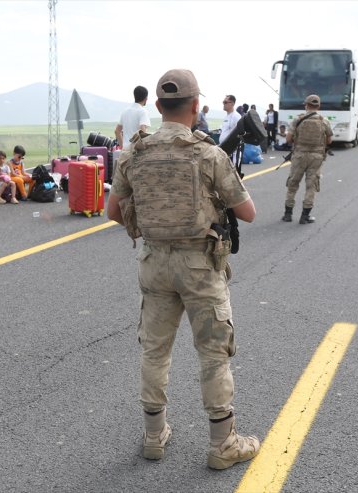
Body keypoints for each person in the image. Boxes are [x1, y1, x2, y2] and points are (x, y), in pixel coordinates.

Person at [107, 69, 259, 470]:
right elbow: (248, 212)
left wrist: (152, 226)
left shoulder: (134, 154)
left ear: (158, 107)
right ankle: (222, 443)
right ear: (196, 106)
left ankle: (154, 435)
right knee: (213, 353)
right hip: (199, 266)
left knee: (155, 351)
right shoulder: (208, 153)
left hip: (154, 263)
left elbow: (112, 211)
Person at [282, 94, 333, 224]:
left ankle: (288, 214)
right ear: (318, 106)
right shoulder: (324, 121)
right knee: (311, 186)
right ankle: (305, 216)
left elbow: (288, 139)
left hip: (299, 155)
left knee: (293, 184)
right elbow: (329, 140)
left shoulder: (298, 119)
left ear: (306, 105)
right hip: (316, 157)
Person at [115, 85, 152, 149]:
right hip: (136, 152)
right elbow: (142, 132)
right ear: (146, 98)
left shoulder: (125, 111)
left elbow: (117, 131)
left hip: (125, 152)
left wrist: (122, 146)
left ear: (134, 96)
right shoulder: (142, 111)